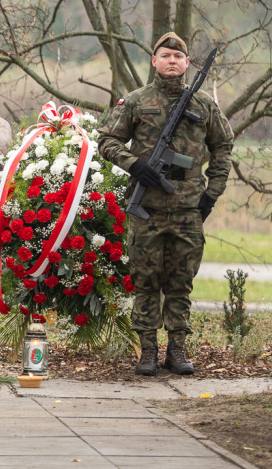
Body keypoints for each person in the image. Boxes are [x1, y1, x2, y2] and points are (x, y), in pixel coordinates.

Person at [97, 31, 234, 377]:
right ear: (154, 61)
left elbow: (223, 148)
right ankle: (147, 351)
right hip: (149, 212)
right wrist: (135, 165)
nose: (172, 60)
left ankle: (177, 349)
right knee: (145, 282)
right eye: (165, 55)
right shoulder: (136, 101)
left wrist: (211, 195)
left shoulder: (203, 105)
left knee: (180, 282)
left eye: (178, 56)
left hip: (189, 210)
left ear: (187, 64)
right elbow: (106, 140)